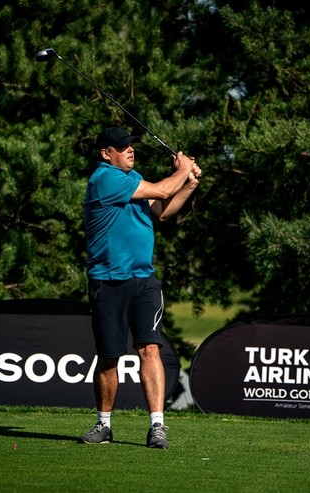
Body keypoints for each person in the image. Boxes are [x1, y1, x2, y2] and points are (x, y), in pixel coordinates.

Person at [79, 127, 201, 448]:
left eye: (131, 145)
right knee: (109, 356)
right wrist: (184, 168)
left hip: (144, 280)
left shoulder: (134, 179)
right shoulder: (105, 179)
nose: (131, 150)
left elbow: (163, 210)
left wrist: (187, 184)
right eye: (123, 147)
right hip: (109, 281)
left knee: (149, 348)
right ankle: (104, 425)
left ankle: (157, 427)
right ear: (106, 153)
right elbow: (161, 192)